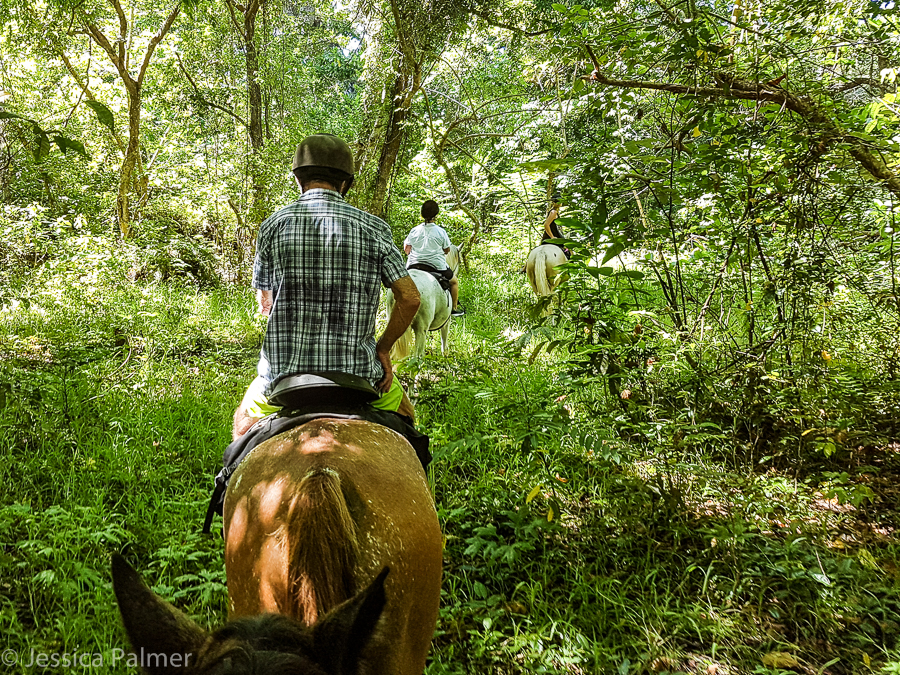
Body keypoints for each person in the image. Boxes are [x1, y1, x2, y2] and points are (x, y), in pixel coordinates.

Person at [232, 133, 421, 440]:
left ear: (297, 178)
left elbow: (265, 306)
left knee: (241, 433)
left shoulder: (272, 226)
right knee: (408, 427)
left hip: (282, 378)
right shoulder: (374, 228)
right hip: (358, 379)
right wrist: (383, 349)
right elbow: (410, 299)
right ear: (346, 182)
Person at [403, 200, 464, 316]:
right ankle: (454, 309)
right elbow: (447, 250)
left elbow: (406, 249)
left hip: (413, 265)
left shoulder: (414, 230)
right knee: (454, 282)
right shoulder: (441, 232)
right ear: (436, 215)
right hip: (436, 266)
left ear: (422, 214)